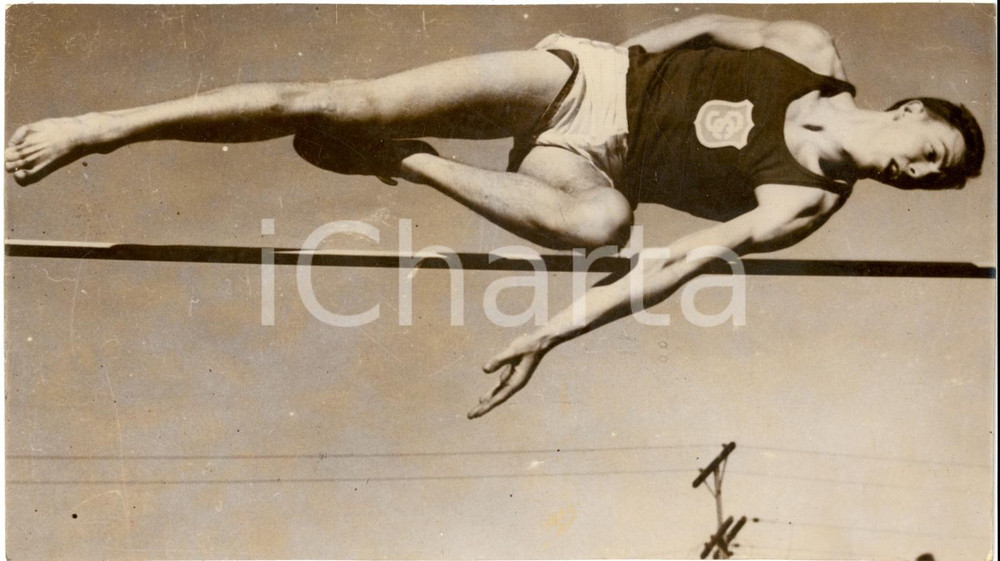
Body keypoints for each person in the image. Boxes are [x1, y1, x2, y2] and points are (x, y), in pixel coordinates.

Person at [5, 15, 985, 418]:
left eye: (929, 184)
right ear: (909, 114)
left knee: (609, 234)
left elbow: (676, 270)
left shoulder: (804, 201)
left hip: (589, 166)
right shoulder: (805, 44)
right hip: (583, 83)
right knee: (340, 100)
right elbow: (696, 29)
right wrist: (604, 48)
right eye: (929, 156)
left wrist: (551, 335)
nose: (914, 175)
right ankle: (103, 126)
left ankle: (413, 164)